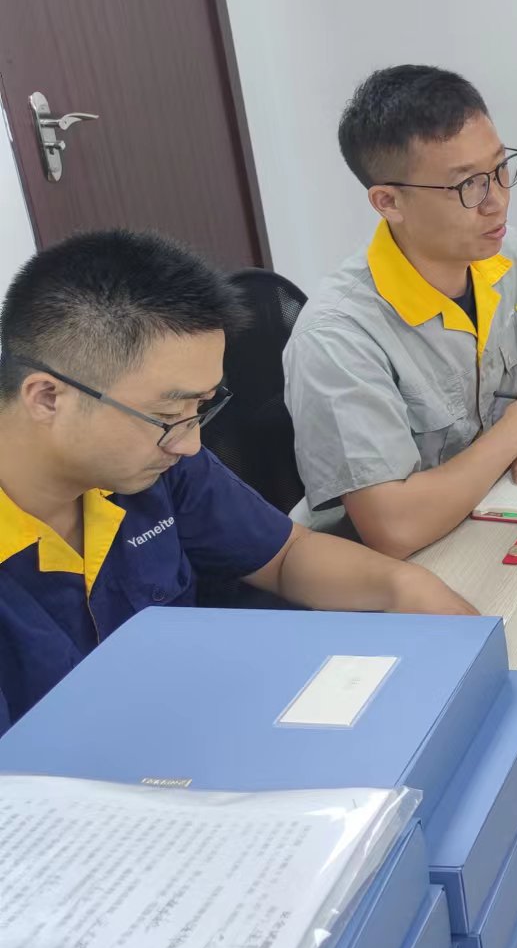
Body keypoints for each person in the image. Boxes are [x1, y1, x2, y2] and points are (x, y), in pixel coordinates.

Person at [0, 230, 477, 735]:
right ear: (47, 398)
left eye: (201, 408)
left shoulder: (154, 461)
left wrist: (403, 586)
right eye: (167, 415)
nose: (189, 444)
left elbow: (285, 555)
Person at [284, 66, 517, 556]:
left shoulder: (505, 254)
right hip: (394, 568)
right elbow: (393, 530)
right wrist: (514, 433)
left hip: (494, 514)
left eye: (501, 169)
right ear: (388, 201)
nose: (496, 202)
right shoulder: (337, 337)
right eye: (468, 185)